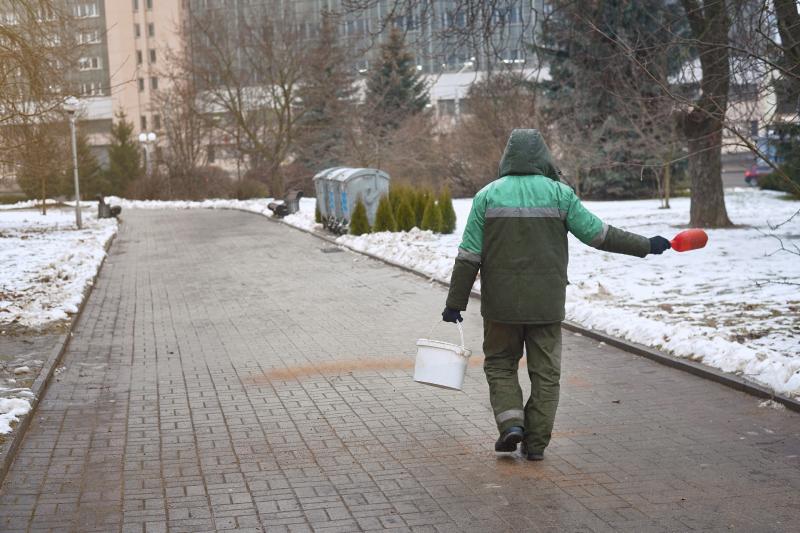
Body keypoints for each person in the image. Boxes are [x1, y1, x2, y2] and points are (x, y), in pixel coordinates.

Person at [442, 129, 671, 461]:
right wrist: (646, 245)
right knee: (546, 374)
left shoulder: (486, 196)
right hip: (546, 306)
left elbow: (468, 256)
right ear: (543, 158)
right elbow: (599, 235)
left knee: (501, 365)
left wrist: (454, 304)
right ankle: (535, 445)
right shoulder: (560, 195)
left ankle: (511, 425)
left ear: (507, 157)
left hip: (500, 307)